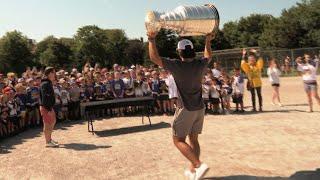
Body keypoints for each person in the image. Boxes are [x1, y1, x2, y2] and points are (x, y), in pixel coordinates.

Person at [147, 29, 214, 179]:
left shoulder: (176, 65)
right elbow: (208, 56)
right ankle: (193, 171)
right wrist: (208, 40)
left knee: (178, 140)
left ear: (180, 52)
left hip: (185, 108)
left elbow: (154, 57)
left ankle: (198, 165)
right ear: (191, 51)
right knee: (194, 139)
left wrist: (151, 40)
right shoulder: (200, 64)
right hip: (199, 108)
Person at [39, 67, 58, 147]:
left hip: (48, 106)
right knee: (47, 124)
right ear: (50, 73)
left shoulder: (48, 83)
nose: (55, 74)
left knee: (52, 121)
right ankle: (48, 142)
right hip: (46, 107)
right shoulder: (45, 83)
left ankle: (49, 139)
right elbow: (45, 97)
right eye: (54, 72)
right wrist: (49, 108)